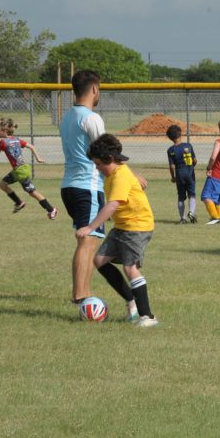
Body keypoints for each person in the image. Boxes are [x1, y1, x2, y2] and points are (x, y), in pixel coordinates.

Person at [76, 134, 159, 327]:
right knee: (99, 261)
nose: (96, 168)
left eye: (98, 164)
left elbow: (112, 205)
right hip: (122, 226)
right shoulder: (116, 171)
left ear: (109, 159)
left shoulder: (120, 176)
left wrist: (90, 227)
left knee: (131, 268)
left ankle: (148, 317)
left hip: (137, 227)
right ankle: (132, 302)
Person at [59, 69, 108, 305]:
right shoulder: (91, 118)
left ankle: (85, 293)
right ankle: (80, 296)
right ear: (94, 90)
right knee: (88, 242)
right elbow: (105, 151)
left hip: (69, 186)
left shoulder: (67, 117)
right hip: (87, 187)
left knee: (88, 240)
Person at [0, 117, 58, 219]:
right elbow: (31, 146)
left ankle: (49, 209)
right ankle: (23, 203)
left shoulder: (3, 142)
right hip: (22, 169)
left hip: (19, 172)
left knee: (29, 191)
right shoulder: (16, 139)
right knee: (7, 185)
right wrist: (38, 158)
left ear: (4, 130)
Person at [166, 124, 198, 224]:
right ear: (181, 134)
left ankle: (182, 218)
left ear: (170, 138)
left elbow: (172, 166)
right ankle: (192, 212)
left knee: (181, 197)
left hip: (179, 174)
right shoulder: (188, 146)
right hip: (189, 173)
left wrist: (173, 177)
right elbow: (195, 160)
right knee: (191, 195)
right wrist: (192, 164)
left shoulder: (170, 150)